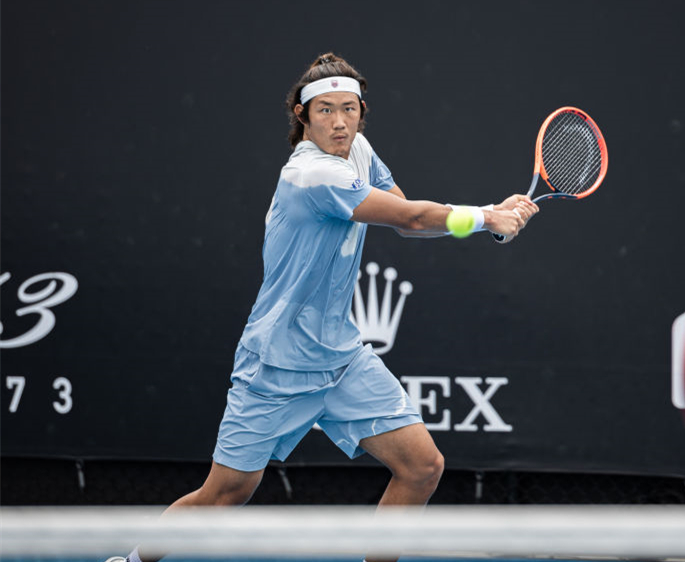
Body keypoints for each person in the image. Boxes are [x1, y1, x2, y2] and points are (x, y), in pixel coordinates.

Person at [108, 52, 538, 562]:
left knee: (422, 466)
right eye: (326, 110)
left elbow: (404, 217)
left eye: (349, 109)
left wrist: (489, 214)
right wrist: (487, 217)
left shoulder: (359, 152)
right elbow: (413, 219)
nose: (339, 122)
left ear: (361, 112)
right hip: (276, 362)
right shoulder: (311, 174)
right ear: (303, 115)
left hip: (340, 357)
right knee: (226, 493)